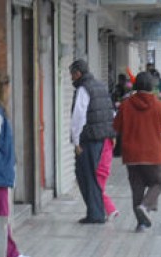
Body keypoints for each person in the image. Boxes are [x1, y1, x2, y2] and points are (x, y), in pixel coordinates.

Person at [113, 71, 161, 233]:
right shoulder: (157, 104)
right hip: (152, 154)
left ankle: (141, 224)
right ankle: (145, 207)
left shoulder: (126, 104)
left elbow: (116, 126)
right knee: (158, 182)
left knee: (137, 188)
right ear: (151, 86)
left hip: (131, 155)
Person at [0, 71, 30, 257]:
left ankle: (6, 251)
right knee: (2, 215)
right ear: (3, 90)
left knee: (0, 213)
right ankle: (10, 253)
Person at [69, 59, 117, 224]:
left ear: (78, 73)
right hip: (102, 138)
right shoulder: (100, 86)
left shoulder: (84, 89)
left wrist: (76, 141)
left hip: (88, 139)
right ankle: (96, 212)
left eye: (72, 75)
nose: (71, 79)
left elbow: (78, 117)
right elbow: (110, 111)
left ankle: (95, 214)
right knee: (92, 176)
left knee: (85, 175)